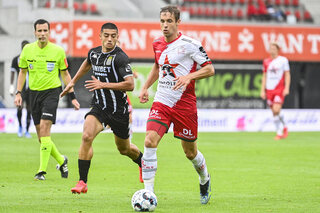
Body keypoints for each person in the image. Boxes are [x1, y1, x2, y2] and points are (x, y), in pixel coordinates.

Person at [138, 6, 215, 204]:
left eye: (169, 21)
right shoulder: (156, 43)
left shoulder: (190, 44)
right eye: (162, 21)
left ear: (178, 22)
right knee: (149, 141)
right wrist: (146, 86)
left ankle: (204, 177)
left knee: (190, 153)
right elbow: (157, 65)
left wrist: (189, 76)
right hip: (162, 101)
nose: (165, 25)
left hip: (184, 104)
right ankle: (148, 194)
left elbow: (209, 69)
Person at [60, 22, 144, 194]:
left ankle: (142, 162)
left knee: (124, 149)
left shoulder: (120, 57)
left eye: (113, 36)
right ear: (100, 36)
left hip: (118, 110)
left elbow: (130, 85)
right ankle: (82, 182)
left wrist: (103, 84)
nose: (110, 39)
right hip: (99, 107)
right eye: (106, 35)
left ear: (117, 37)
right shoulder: (94, 53)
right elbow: (87, 63)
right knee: (86, 136)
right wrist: (73, 83)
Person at [14, 19, 80, 180]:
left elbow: (65, 74)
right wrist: (18, 93)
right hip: (33, 94)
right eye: (39, 31)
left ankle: (41, 171)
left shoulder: (58, 51)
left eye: (45, 31)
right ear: (35, 32)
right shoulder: (27, 50)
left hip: (51, 92)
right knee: (41, 137)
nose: (42, 34)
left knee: (45, 129)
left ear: (49, 32)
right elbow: (22, 72)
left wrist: (72, 96)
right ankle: (61, 160)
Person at [260, 42, 290, 140]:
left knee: (276, 109)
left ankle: (279, 133)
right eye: (270, 48)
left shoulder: (283, 60)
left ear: (278, 49)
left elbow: (287, 74)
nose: (272, 50)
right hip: (269, 89)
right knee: (274, 112)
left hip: (279, 89)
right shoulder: (266, 62)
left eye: (274, 48)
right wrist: (262, 90)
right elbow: (264, 76)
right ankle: (283, 128)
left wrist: (287, 88)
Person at [9, 40, 32, 138]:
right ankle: (20, 127)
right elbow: (13, 72)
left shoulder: (33, 59)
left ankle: (27, 130)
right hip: (21, 88)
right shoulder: (16, 59)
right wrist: (11, 86)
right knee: (20, 107)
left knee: (29, 109)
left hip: (31, 88)